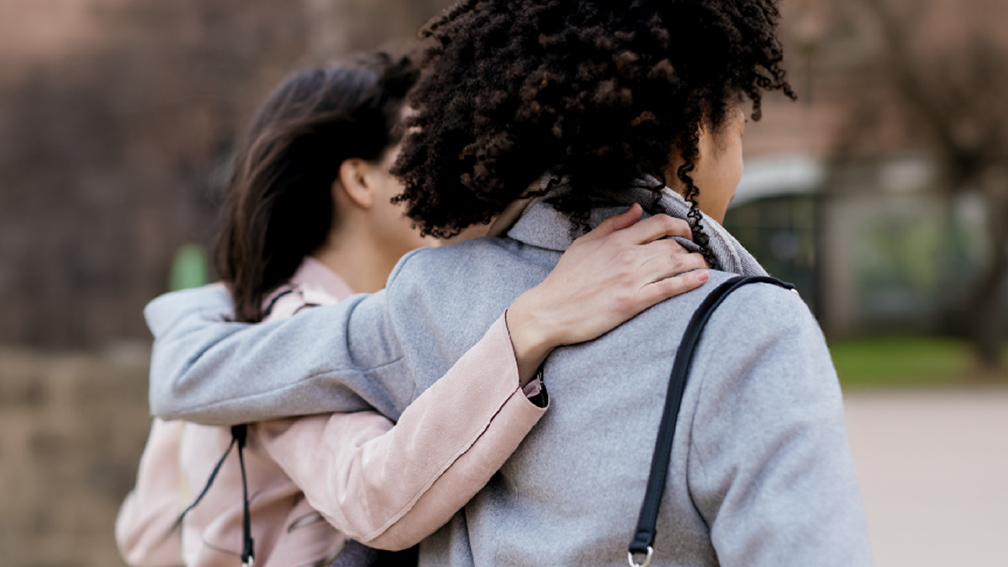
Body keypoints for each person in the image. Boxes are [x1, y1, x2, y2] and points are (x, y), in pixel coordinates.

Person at [141, 1, 874, 565]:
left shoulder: (431, 298)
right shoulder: (753, 334)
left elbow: (190, 374)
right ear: (693, 130)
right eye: (739, 129)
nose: (739, 164)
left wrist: (211, 301)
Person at [116, 53, 710, 567]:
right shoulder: (293, 327)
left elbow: (146, 533)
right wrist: (534, 323)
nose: (443, 164)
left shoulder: (242, 321)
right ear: (360, 181)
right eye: (418, 144)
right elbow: (372, 496)